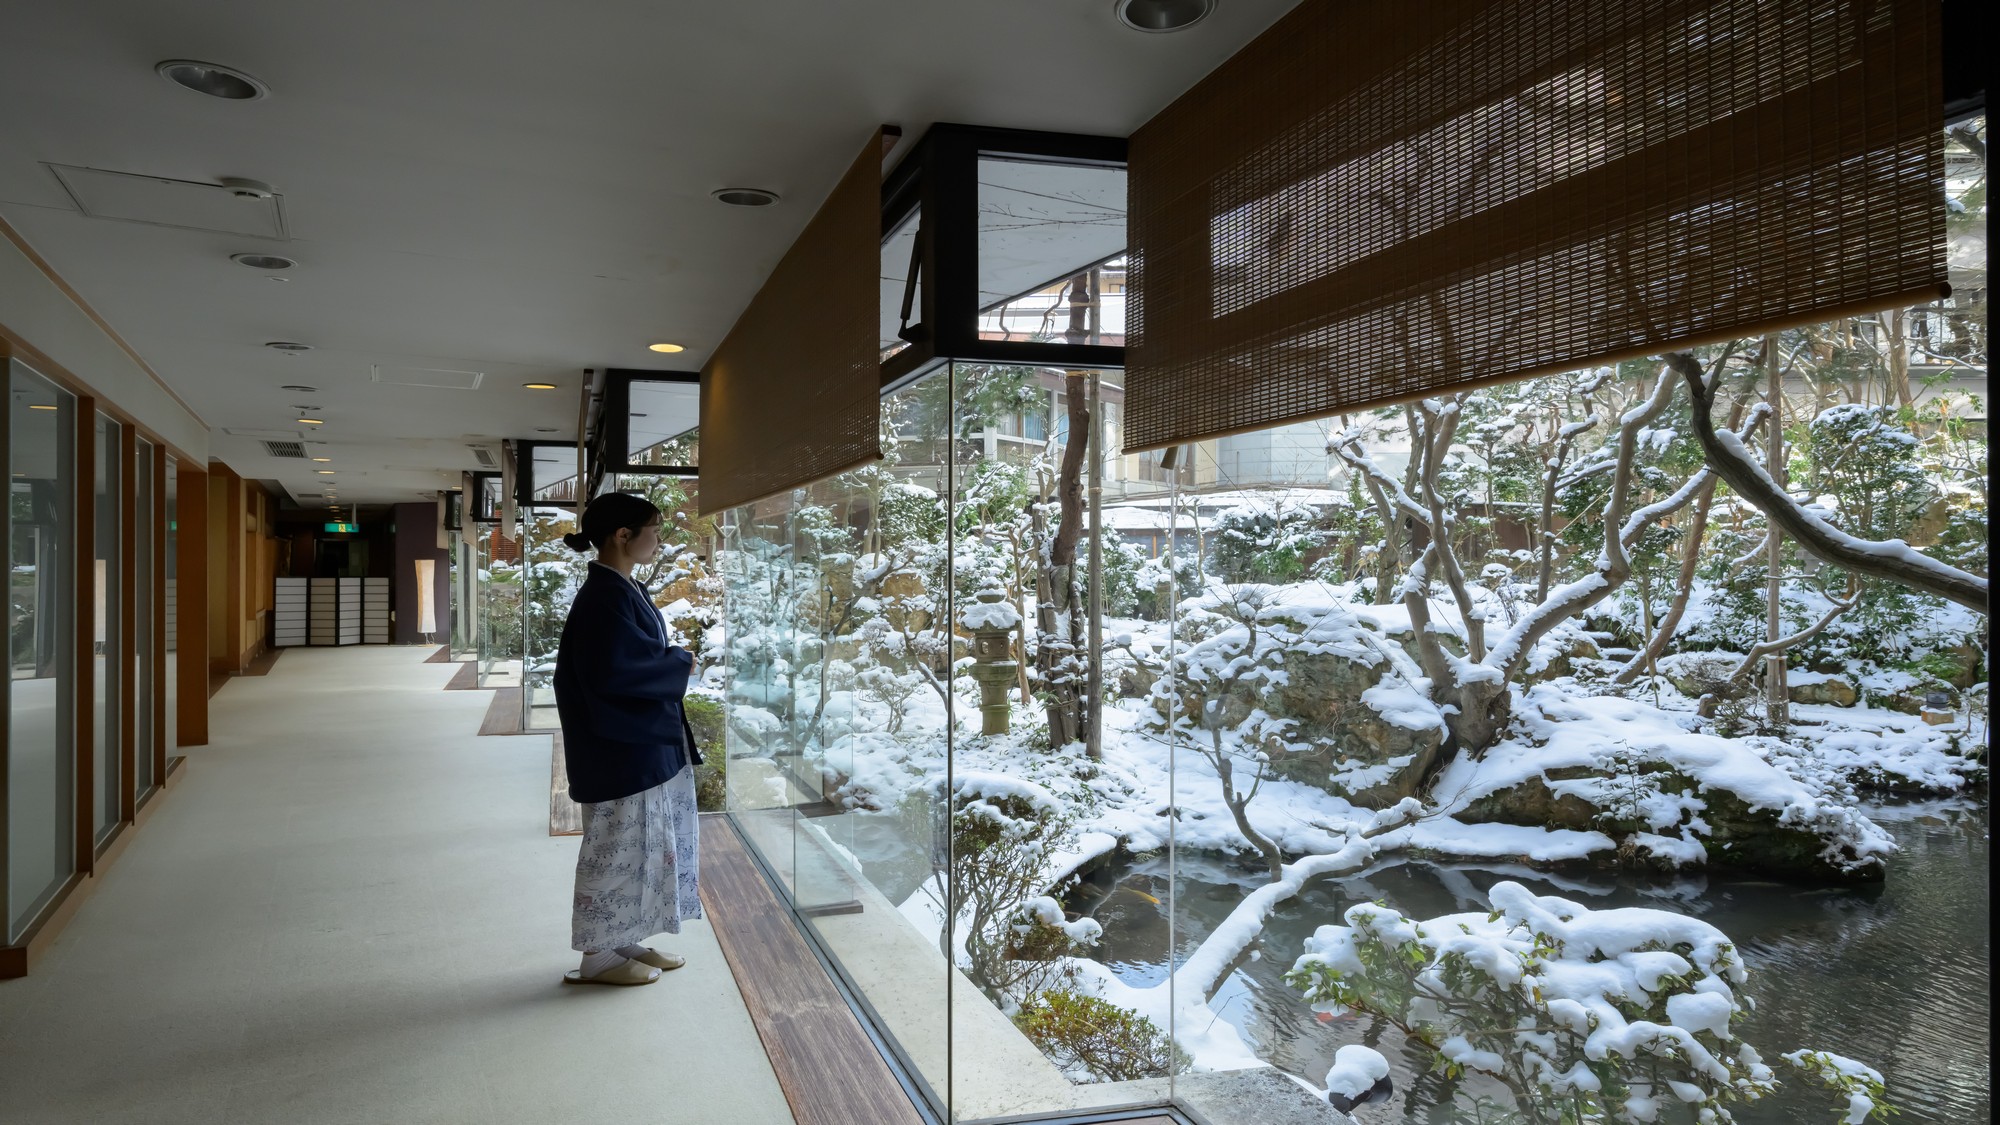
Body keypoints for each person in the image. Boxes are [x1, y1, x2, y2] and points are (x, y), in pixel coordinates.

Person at [553, 492, 703, 986]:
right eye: (653, 530)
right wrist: (679, 662)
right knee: (615, 846)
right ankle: (597, 956)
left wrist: (670, 662)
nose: (659, 540)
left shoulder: (616, 588)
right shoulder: (603, 595)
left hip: (627, 741)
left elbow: (624, 663)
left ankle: (620, 938)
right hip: (616, 748)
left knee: (638, 845)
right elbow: (615, 671)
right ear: (623, 535)